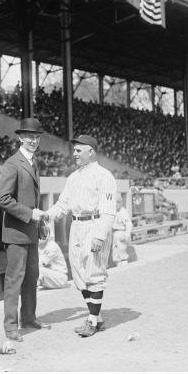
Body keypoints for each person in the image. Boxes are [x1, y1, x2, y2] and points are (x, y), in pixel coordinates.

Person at [44, 135, 117, 338]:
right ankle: (98, 318)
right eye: (74, 150)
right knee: (79, 276)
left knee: (94, 274)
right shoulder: (73, 177)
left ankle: (91, 321)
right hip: (76, 226)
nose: (74, 154)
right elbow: (62, 205)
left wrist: (100, 236)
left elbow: (109, 211)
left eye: (78, 150)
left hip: (95, 224)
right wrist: (46, 215)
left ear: (90, 151)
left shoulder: (104, 176)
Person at [0, 117, 50, 342]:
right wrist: (30, 215)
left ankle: (28, 318)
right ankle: (10, 326)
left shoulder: (33, 162)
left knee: (31, 277)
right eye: (29, 137)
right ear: (20, 137)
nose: (33, 140)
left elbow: (33, 198)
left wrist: (41, 222)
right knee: (14, 280)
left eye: (36, 137)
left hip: (31, 231)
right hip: (16, 234)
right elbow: (2, 198)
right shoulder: (12, 163)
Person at [37, 224, 68, 289]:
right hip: (51, 275)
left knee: (34, 268)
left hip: (60, 277)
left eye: (43, 236)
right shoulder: (39, 246)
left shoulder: (51, 246)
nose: (39, 239)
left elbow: (39, 263)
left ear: (48, 236)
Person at [111, 195, 133, 267]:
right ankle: (118, 266)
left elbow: (129, 225)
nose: (116, 204)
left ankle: (124, 267)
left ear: (121, 203)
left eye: (118, 202)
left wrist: (126, 236)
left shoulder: (123, 212)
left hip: (121, 232)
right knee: (115, 252)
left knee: (122, 251)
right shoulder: (116, 212)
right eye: (115, 202)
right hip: (115, 232)